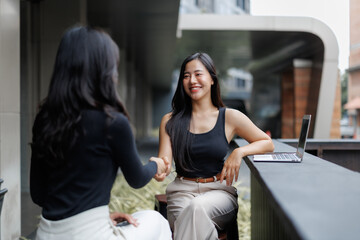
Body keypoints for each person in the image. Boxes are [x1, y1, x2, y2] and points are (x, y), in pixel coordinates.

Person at [30, 26, 172, 240]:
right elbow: (136, 179)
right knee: (157, 221)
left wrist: (100, 217)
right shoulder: (112, 122)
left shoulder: (44, 119)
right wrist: (157, 165)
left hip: (46, 235)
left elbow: (39, 194)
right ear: (103, 69)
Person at [158, 52, 274, 239]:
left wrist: (239, 152)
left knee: (195, 212)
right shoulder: (169, 121)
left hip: (219, 192)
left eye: (198, 74)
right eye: (186, 76)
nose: (192, 80)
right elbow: (163, 161)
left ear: (212, 79)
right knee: (194, 220)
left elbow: (267, 143)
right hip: (181, 193)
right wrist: (158, 169)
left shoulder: (229, 116)